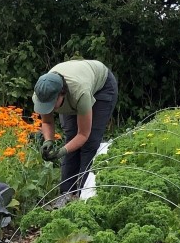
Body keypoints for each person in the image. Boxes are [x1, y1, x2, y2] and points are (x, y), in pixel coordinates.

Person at [32, 59, 119, 195]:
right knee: (71, 138)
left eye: (52, 103)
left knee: (89, 143)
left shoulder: (80, 93)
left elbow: (83, 134)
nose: (50, 108)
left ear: (62, 93)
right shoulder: (42, 93)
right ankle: (66, 195)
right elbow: (47, 122)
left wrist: (61, 152)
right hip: (77, 83)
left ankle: (84, 195)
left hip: (102, 87)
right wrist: (48, 140)